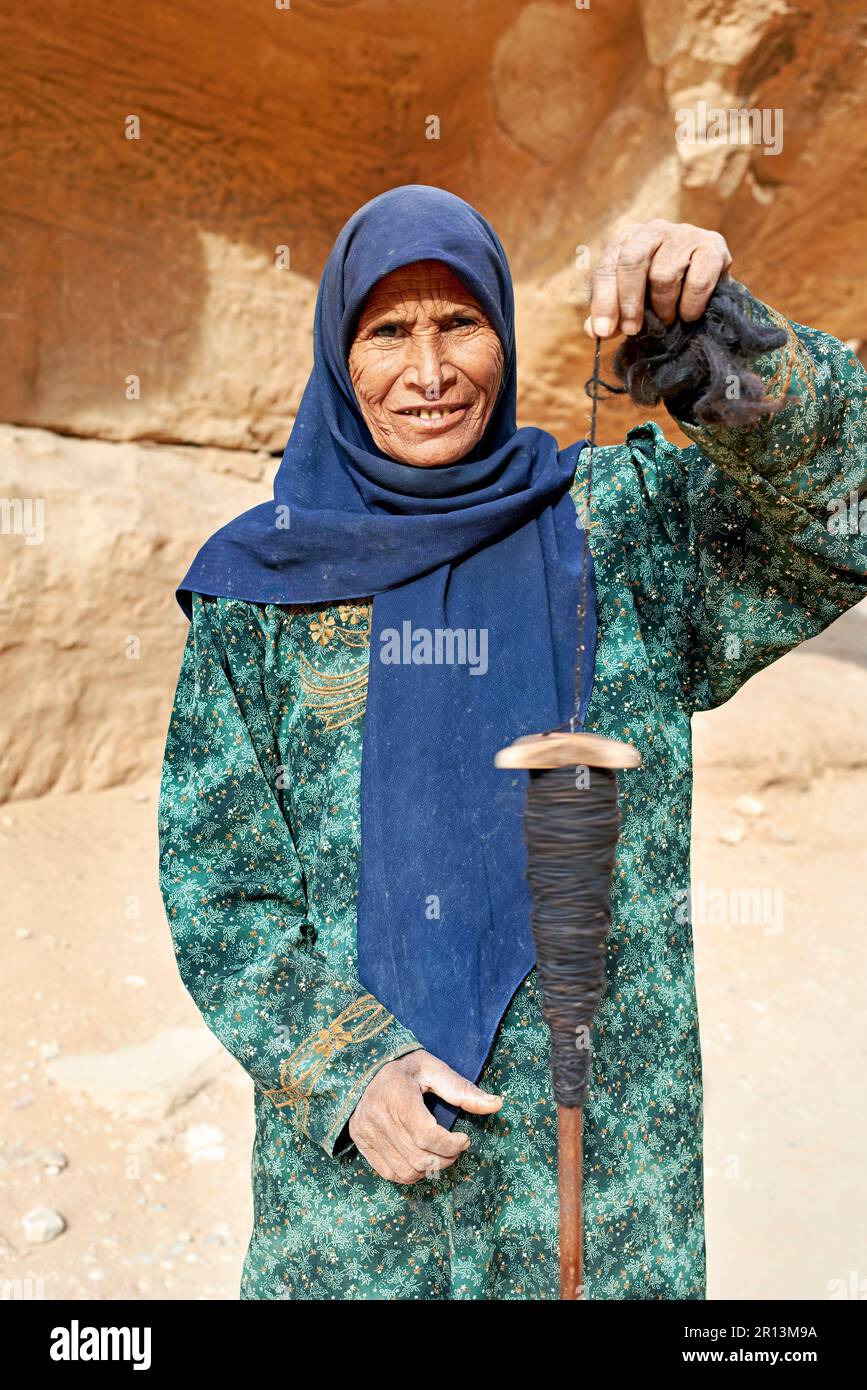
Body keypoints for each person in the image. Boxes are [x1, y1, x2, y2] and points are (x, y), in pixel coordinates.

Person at [158, 184, 866, 1300]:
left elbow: (848, 516)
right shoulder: (266, 589)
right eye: (389, 331)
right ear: (339, 358)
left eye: (461, 323)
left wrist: (727, 342)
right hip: (369, 1211)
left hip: (608, 1191)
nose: (430, 371)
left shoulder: (623, 528)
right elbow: (219, 889)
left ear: (506, 328)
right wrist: (347, 1069)